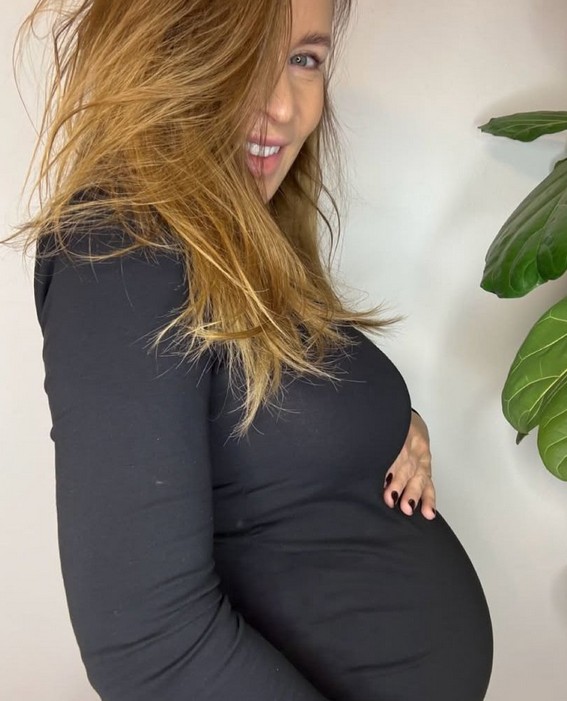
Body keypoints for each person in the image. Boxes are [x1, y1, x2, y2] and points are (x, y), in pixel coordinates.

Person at [6, 0, 493, 699]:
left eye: (305, 59)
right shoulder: (120, 246)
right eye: (239, 54)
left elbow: (268, 425)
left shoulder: (237, 244)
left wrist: (394, 423)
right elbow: (151, 651)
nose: (282, 106)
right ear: (158, 53)